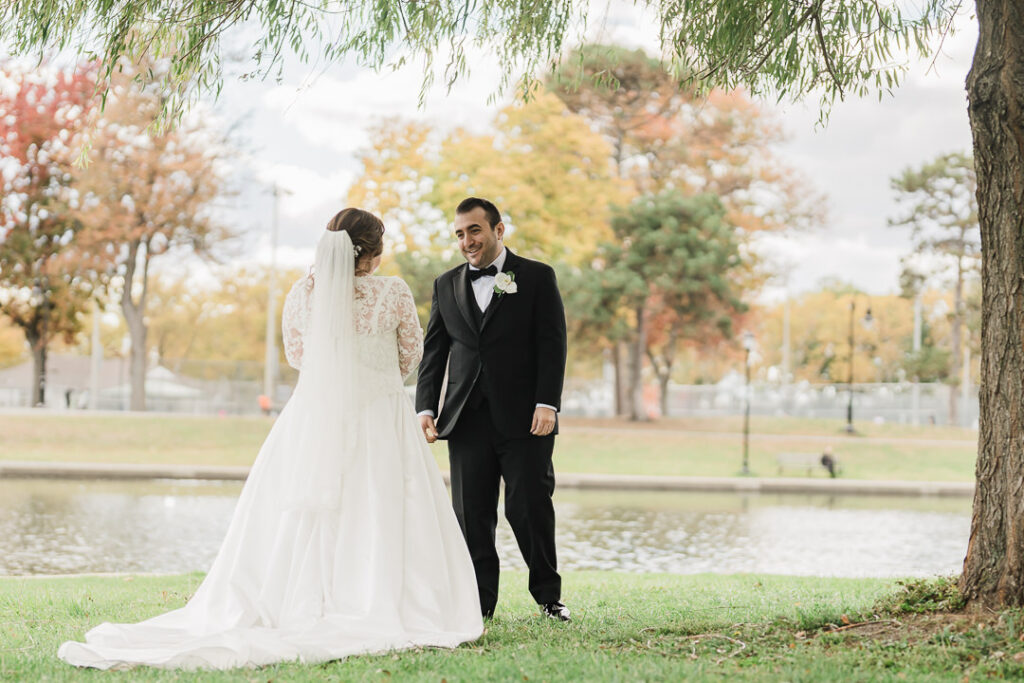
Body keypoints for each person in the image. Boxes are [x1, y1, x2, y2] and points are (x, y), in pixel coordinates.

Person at [58, 208, 483, 670]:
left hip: (313, 416)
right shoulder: (393, 291)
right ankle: (377, 595)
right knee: (379, 504)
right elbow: (409, 358)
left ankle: (299, 598)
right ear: (374, 254)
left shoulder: (302, 294)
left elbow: (301, 358)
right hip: (380, 415)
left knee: (307, 512)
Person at [416, 197, 570, 622]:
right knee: (472, 514)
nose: (467, 241)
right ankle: (478, 604)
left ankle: (549, 599)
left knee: (530, 508)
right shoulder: (445, 284)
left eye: (475, 231)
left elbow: (552, 344)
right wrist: (425, 407)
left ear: (499, 230)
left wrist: (547, 403)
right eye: (460, 234)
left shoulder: (537, 277)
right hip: (465, 419)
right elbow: (435, 352)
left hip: (525, 419)